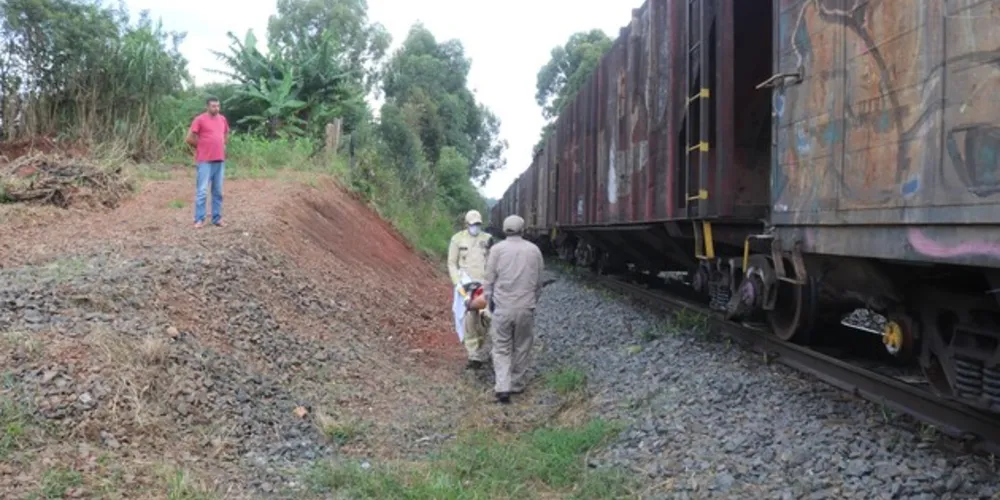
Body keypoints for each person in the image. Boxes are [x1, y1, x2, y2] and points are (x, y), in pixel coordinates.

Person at [483, 215, 544, 404]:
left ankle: (503, 387)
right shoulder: (534, 250)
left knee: (501, 347)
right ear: (523, 229)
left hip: (502, 307)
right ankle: (516, 383)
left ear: (504, 229)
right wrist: (533, 300)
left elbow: (488, 280)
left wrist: (488, 301)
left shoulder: (497, 250)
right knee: (522, 346)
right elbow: (539, 282)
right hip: (525, 307)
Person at [447, 209, 493, 369]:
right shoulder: (457, 239)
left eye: (478, 224)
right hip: (465, 285)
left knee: (485, 318)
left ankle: (481, 348)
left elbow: (493, 262)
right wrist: (457, 282)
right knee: (468, 320)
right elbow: (452, 263)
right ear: (466, 224)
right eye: (473, 224)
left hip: (484, 286)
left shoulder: (487, 239)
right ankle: (473, 356)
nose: (475, 227)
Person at [186, 96, 230, 228]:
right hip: (205, 160)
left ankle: (217, 218)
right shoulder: (200, 119)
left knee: (218, 191)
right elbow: (189, 138)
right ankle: (199, 219)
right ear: (207, 107)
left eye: (218, 106)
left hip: (219, 160)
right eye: (213, 106)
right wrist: (201, 147)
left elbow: (226, 133)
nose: (216, 108)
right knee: (202, 191)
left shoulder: (222, 119)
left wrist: (223, 145)